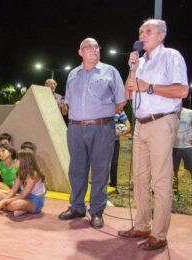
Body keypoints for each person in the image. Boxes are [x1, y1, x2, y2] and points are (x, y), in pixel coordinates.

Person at [117, 19, 189, 251]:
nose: (142, 34)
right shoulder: (141, 62)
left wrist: (149, 87)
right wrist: (132, 68)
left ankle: (159, 234)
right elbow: (129, 95)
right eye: (140, 31)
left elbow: (182, 90)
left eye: (148, 31)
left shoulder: (171, 56)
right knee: (139, 177)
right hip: (141, 124)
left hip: (161, 121)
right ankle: (142, 225)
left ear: (161, 35)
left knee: (160, 179)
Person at [58, 37, 126, 229]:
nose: (94, 50)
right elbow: (68, 102)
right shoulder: (72, 74)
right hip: (76, 128)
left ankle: (96, 210)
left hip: (102, 128)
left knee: (100, 171)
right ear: (80, 52)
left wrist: (103, 115)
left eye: (97, 47)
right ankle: (77, 207)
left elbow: (121, 101)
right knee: (76, 169)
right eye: (89, 47)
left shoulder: (110, 72)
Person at [0, 149, 46, 217]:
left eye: (17, 159)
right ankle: (19, 209)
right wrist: (5, 200)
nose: (15, 161)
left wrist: (4, 201)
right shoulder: (19, 173)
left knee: (14, 205)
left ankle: (10, 207)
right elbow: (13, 191)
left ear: (24, 161)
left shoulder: (34, 174)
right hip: (23, 198)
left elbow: (23, 195)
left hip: (35, 201)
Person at [173, 107, 192, 206]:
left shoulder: (189, 112)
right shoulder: (167, 112)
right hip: (173, 147)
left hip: (188, 146)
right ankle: (175, 194)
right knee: (173, 173)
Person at [109, 109, 131, 190]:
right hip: (103, 140)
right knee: (102, 164)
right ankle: (100, 187)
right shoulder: (104, 106)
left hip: (115, 140)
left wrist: (125, 131)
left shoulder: (120, 109)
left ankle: (113, 186)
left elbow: (127, 124)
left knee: (114, 163)